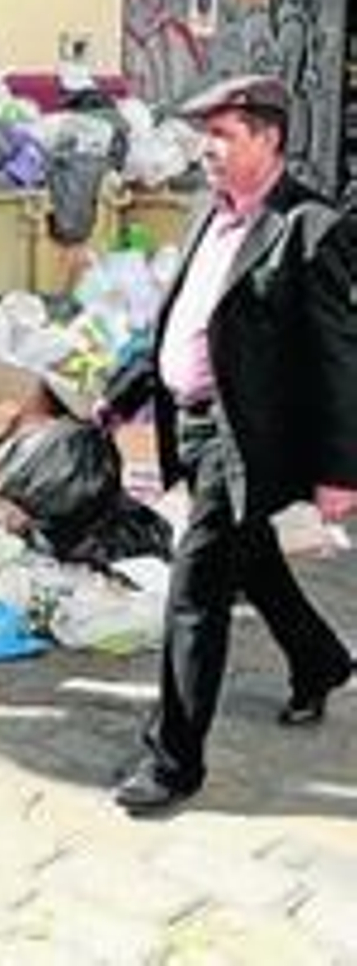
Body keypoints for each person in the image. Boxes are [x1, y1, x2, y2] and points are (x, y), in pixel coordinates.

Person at [99, 73, 357, 816]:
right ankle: (322, 661)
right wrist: (124, 392)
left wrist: (341, 471)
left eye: (223, 135)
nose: (205, 149)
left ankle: (173, 762)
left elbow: (341, 357)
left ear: (269, 138)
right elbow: (182, 319)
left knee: (195, 594)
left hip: (246, 440)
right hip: (193, 423)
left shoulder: (310, 227)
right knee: (256, 563)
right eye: (203, 134)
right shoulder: (204, 214)